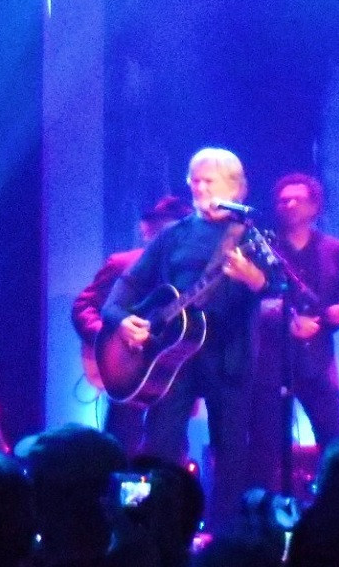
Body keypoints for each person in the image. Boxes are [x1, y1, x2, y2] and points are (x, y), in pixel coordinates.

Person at [102, 146, 269, 528]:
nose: (198, 188)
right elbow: (122, 291)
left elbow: (275, 291)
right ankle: (152, 529)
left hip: (229, 357)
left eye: (208, 181)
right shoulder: (174, 235)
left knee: (230, 451)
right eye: (193, 181)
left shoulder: (251, 235)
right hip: (171, 359)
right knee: (159, 444)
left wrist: (253, 278)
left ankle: (225, 535)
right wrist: (122, 321)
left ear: (237, 188)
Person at [247, 173, 339, 493]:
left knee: (334, 438)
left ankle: (337, 504)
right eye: (283, 200)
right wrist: (283, 317)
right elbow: (253, 298)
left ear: (314, 206)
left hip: (317, 358)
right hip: (271, 360)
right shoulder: (263, 246)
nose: (289, 205)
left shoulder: (333, 249)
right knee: (266, 444)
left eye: (297, 199)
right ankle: (264, 515)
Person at [70, 195, 192, 444]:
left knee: (169, 447)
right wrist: (110, 337)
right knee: (121, 442)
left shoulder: (191, 272)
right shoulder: (123, 263)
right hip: (126, 367)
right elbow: (84, 306)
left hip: (172, 370)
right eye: (162, 227)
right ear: (147, 230)